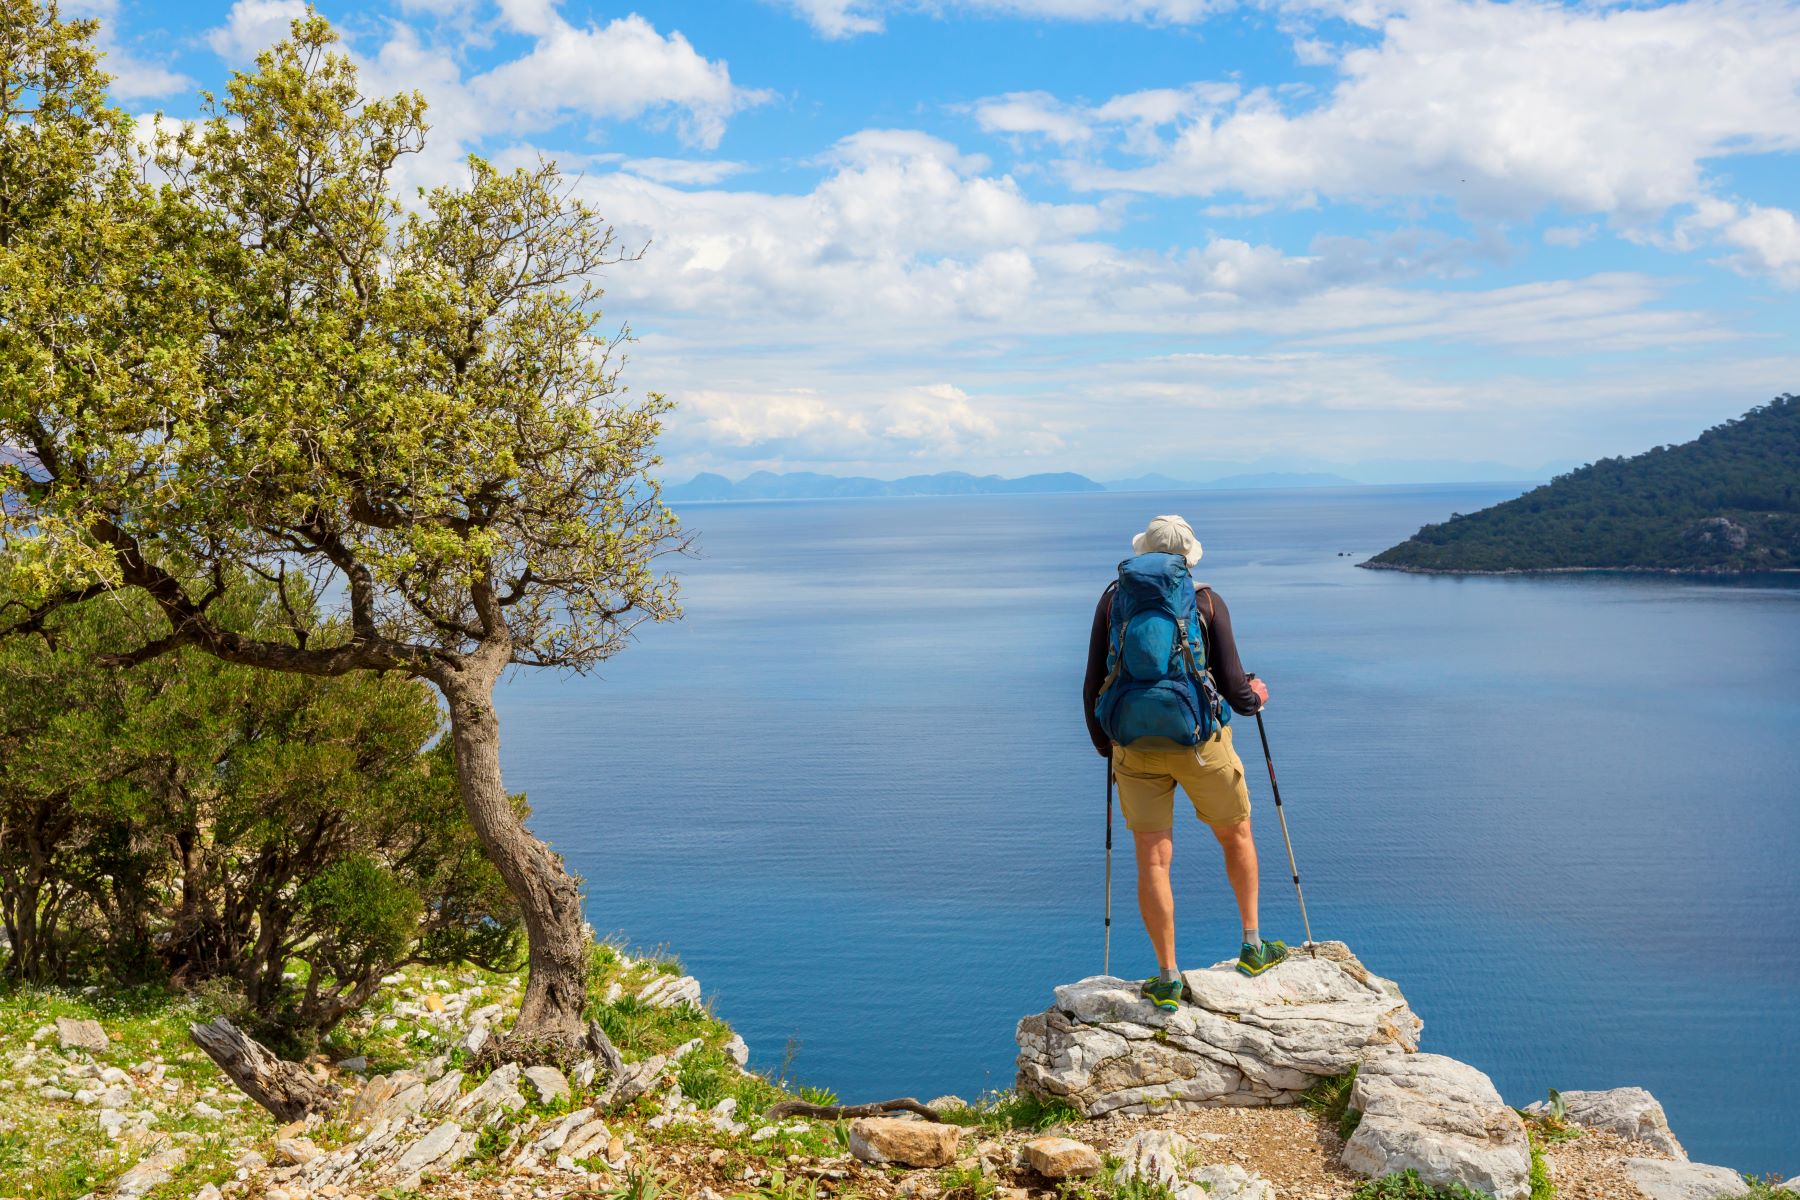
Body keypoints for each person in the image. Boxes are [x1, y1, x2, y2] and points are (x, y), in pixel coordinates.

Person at [1082, 514, 1287, 1011]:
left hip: (1133, 746)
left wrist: (1106, 745)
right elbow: (1238, 691)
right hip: (1200, 745)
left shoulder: (1113, 600)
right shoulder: (1206, 601)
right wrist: (1257, 695)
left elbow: (1093, 683)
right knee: (1236, 833)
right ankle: (1253, 946)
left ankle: (1168, 977)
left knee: (1153, 859)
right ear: (1187, 559)